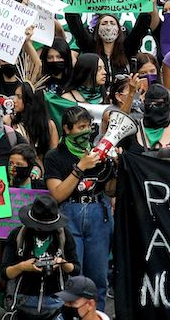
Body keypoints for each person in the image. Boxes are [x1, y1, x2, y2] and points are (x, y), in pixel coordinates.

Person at [44, 106, 114, 310]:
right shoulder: (54, 156)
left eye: (88, 126)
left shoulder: (98, 152)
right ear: (66, 129)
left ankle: (96, 314)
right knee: (73, 276)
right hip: (69, 214)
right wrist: (80, 167)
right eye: (80, 127)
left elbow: (110, 191)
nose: (86, 131)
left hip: (98, 214)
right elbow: (57, 194)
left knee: (98, 277)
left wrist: (114, 168)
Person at [1, 195, 79, 320]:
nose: (43, 230)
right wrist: (22, 267)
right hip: (23, 301)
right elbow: (5, 273)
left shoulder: (63, 235)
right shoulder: (17, 235)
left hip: (55, 302)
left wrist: (63, 264)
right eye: (39, 226)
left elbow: (76, 269)